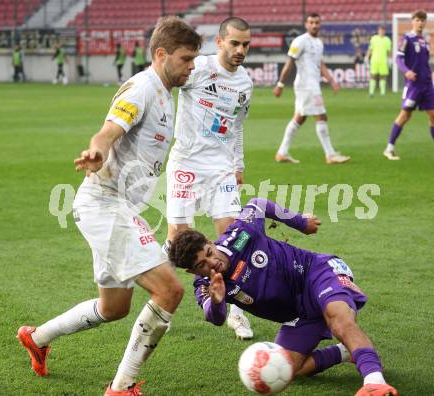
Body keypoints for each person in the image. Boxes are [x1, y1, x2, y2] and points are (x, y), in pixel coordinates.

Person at [17, 16, 202, 396]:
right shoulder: (142, 88)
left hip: (118, 208)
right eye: (185, 59)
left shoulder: (166, 93)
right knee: (169, 291)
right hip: (106, 204)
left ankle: (37, 337)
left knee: (114, 307)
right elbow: (109, 129)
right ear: (161, 54)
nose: (191, 66)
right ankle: (122, 388)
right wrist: (97, 150)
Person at [168, 198, 398, 396]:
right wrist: (218, 301)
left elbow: (258, 204)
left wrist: (301, 223)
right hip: (300, 315)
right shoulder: (205, 284)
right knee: (286, 370)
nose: (212, 264)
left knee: (338, 319)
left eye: (209, 253)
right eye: (201, 265)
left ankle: (374, 382)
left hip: (317, 273)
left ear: (210, 241)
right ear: (192, 271)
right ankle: (346, 351)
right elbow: (215, 317)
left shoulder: (239, 235)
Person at [164, 17, 254, 340]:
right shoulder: (197, 69)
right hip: (186, 163)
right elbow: (165, 85)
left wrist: (238, 164)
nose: (241, 50)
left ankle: (238, 313)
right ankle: (161, 300)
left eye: (246, 44)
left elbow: (237, 125)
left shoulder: (245, 83)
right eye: (234, 43)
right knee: (178, 243)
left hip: (221, 168)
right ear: (220, 42)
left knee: (230, 242)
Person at [273, 13, 350, 165]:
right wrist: (280, 84)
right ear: (306, 24)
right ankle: (330, 155)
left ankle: (282, 153)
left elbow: (320, 64)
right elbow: (289, 62)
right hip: (306, 86)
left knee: (299, 118)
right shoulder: (300, 41)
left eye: (317, 22)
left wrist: (332, 81)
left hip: (312, 85)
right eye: (311, 22)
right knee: (321, 117)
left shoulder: (319, 43)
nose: (314, 25)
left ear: (320, 24)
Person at [383, 10, 434, 161]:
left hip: (427, 86)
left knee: (433, 115)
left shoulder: (425, 41)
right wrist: (406, 72)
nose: (420, 23)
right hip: (414, 86)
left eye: (423, 20)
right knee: (405, 115)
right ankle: (389, 148)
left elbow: (425, 63)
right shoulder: (406, 38)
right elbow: (398, 59)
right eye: (417, 20)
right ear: (412, 21)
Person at [366, 25, 392, 97]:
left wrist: (390, 59)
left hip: (383, 61)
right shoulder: (374, 39)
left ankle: (382, 93)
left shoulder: (387, 40)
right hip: (374, 60)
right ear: (378, 31)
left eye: (383, 30)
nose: (381, 32)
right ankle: (371, 92)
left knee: (383, 76)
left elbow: (389, 51)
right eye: (380, 30)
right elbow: (370, 49)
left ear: (384, 31)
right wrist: (367, 57)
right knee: (373, 76)